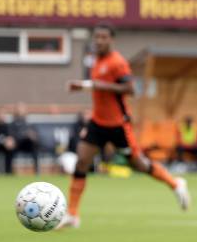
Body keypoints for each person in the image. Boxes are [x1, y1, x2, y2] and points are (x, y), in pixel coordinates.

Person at [58, 23, 190, 229]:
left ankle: (175, 183)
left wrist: (93, 85)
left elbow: (130, 89)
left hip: (118, 125)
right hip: (97, 123)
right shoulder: (97, 61)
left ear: (112, 40)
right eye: (97, 37)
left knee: (138, 165)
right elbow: (100, 96)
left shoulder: (117, 62)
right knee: (81, 161)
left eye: (103, 37)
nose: (99, 41)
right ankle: (72, 214)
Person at [11, 103, 40, 175]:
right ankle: (10, 172)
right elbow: (12, 135)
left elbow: (36, 135)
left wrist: (33, 136)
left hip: (28, 145)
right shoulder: (13, 124)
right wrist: (23, 135)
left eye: (23, 109)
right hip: (17, 144)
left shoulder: (29, 123)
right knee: (9, 148)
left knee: (34, 146)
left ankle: (37, 172)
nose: (21, 111)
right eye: (19, 109)